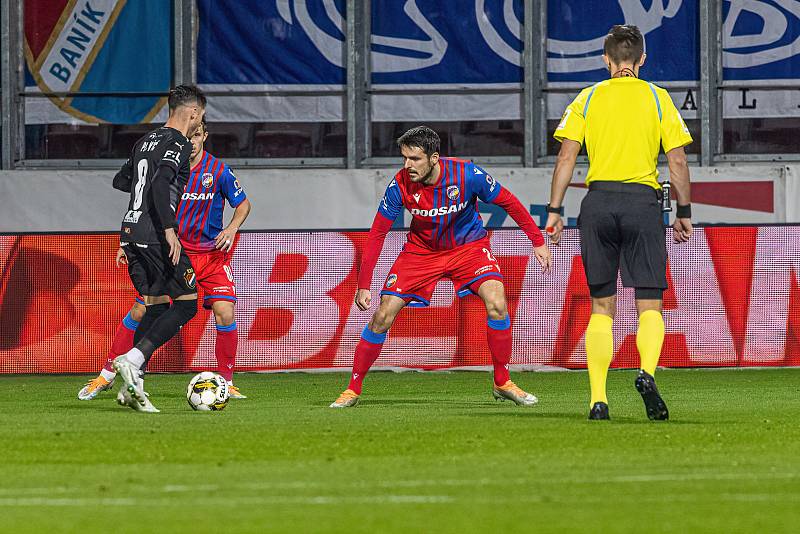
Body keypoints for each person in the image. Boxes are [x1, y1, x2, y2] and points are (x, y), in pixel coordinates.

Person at [330, 126, 551, 408]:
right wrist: (363, 285)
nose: (407, 165)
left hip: (468, 249)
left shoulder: (467, 174)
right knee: (383, 315)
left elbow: (508, 202)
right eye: (404, 158)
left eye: (414, 159)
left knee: (497, 301)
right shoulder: (400, 184)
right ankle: (353, 389)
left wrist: (537, 241)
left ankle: (502, 382)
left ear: (434, 158)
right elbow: (377, 234)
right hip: (420, 253)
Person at [545, 25, 693, 421]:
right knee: (650, 304)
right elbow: (677, 162)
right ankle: (645, 373)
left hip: (598, 202)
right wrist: (684, 212)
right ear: (642, 59)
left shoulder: (587, 98)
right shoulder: (658, 98)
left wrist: (555, 210)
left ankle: (598, 400)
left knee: (601, 306)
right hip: (642, 203)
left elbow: (565, 159)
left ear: (605, 60)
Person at [77, 118, 252, 401]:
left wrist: (231, 228)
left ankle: (226, 381)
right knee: (141, 310)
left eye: (197, 136)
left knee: (225, 311)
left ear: (205, 136)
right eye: (189, 136)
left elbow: (243, 204)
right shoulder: (168, 168)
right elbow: (140, 202)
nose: (192, 141)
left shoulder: (219, 170)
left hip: (210, 255)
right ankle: (106, 373)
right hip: (172, 252)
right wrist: (128, 241)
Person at [111, 85, 207, 413]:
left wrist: (129, 234)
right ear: (193, 113)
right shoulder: (178, 143)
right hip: (154, 234)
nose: (199, 124)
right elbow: (161, 182)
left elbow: (123, 182)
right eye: (201, 117)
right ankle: (133, 361)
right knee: (187, 303)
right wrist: (169, 230)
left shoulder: (144, 140)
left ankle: (132, 387)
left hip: (130, 230)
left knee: (154, 305)